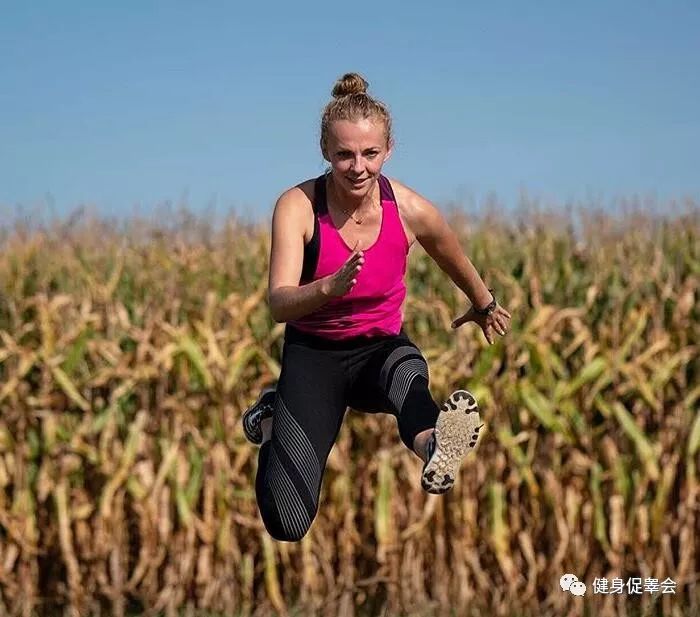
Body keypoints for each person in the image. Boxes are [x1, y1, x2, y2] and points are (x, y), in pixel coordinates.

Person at [243, 73, 511, 542]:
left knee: (409, 374)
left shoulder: (411, 210)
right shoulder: (299, 207)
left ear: (388, 150)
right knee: (287, 523)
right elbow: (279, 303)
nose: (358, 167)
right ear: (326, 151)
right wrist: (327, 288)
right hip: (314, 359)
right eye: (345, 154)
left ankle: (435, 447)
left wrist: (484, 304)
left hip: (378, 351)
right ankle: (270, 418)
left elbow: (452, 254)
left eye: (370, 153)